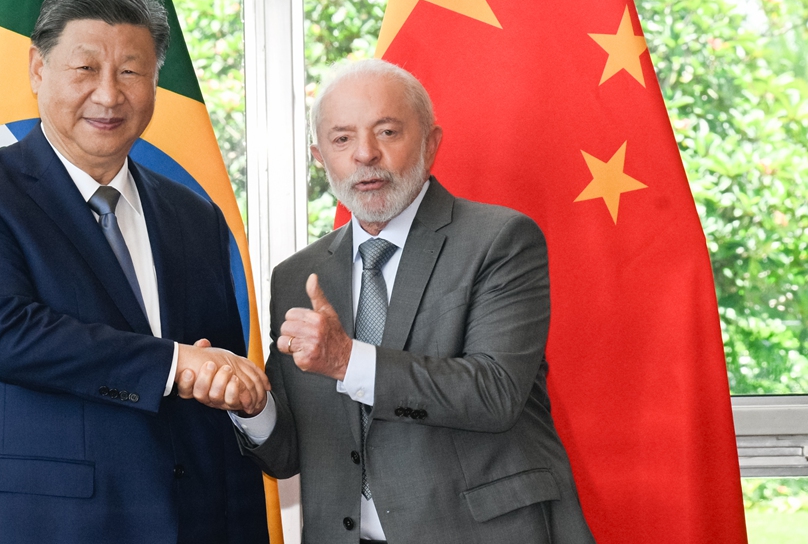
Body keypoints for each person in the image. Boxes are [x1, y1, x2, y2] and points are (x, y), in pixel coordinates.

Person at [0, 0, 270, 544]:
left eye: (131, 72)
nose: (109, 95)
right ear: (38, 69)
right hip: (46, 527)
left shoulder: (194, 216)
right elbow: (6, 336)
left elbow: (216, 377)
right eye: (85, 69)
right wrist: (173, 365)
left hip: (194, 520)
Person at [231, 59, 595, 543]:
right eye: (342, 139)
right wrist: (253, 407)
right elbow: (294, 454)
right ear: (320, 158)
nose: (365, 154)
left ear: (431, 143)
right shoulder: (297, 275)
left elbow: (495, 393)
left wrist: (348, 360)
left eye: (387, 132)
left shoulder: (501, 240)